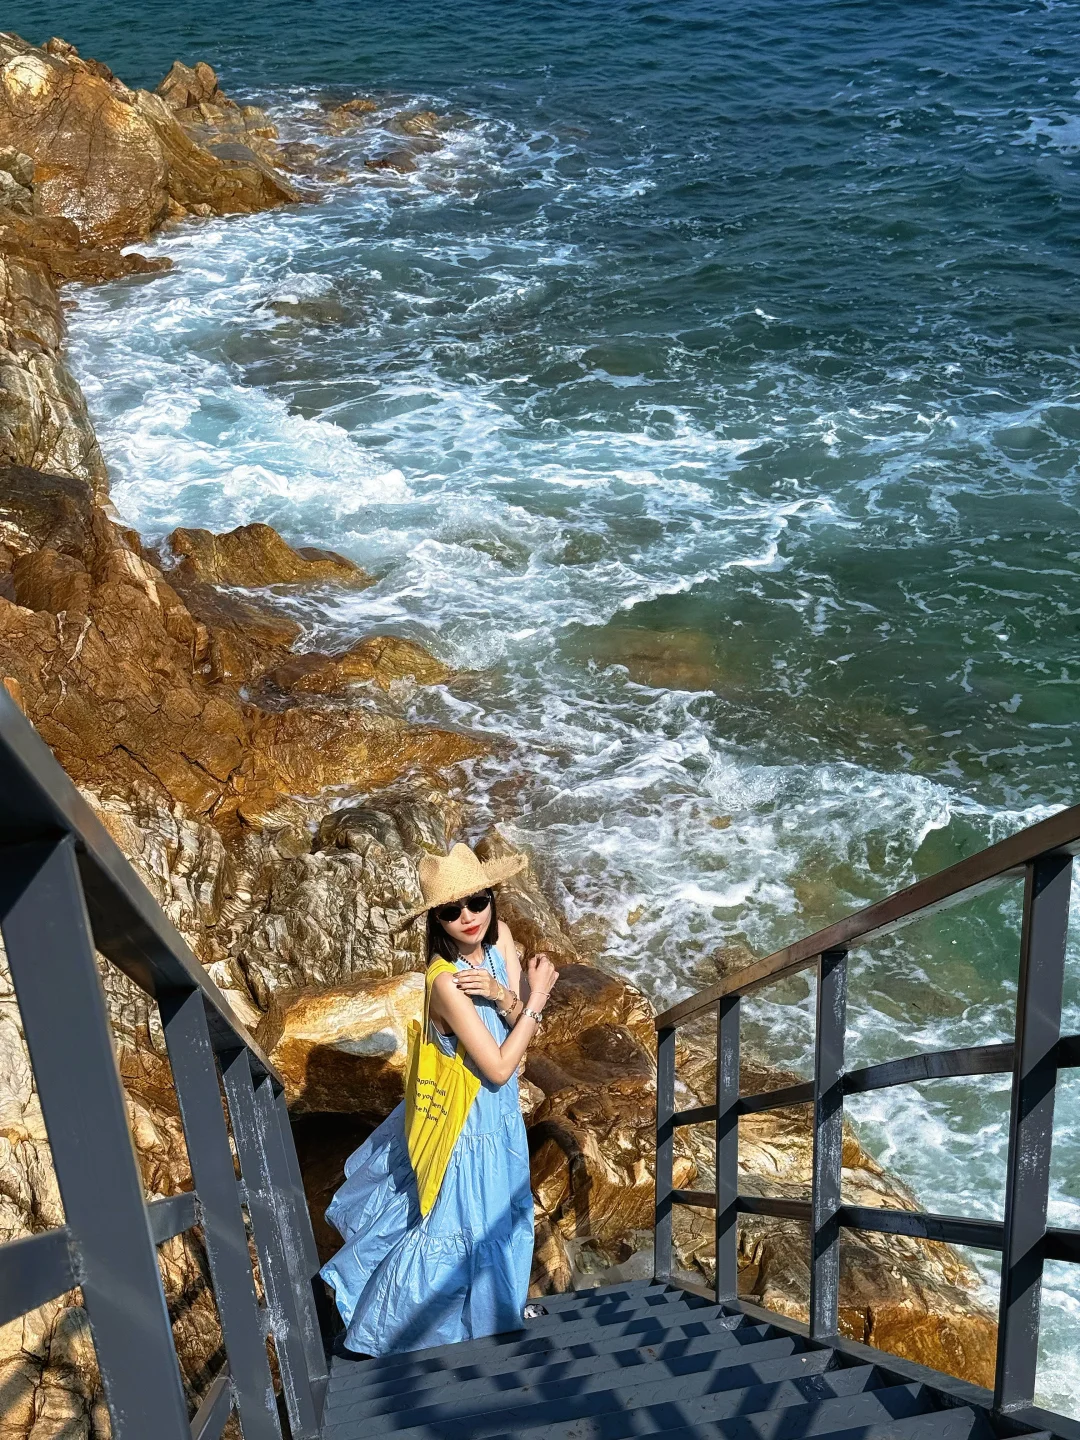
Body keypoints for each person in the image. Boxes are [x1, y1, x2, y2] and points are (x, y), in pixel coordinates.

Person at [320, 843, 559, 1356]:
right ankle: (381, 1334)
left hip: (500, 1120)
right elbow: (500, 1066)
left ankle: (493, 1321)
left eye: (477, 901)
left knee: (500, 1223)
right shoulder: (445, 982)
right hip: (465, 1126)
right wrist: (538, 996)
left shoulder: (501, 939)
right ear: (436, 919)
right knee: (452, 1233)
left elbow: (522, 1032)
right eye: (451, 910)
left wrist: (503, 993)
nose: (468, 917)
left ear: (491, 897)